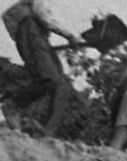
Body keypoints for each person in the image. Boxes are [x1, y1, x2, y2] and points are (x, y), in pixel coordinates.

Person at [3, 0, 80, 136]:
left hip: (38, 36)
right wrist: (69, 35)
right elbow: (43, 15)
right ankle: (13, 104)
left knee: (62, 86)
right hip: (31, 32)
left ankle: (48, 130)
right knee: (51, 79)